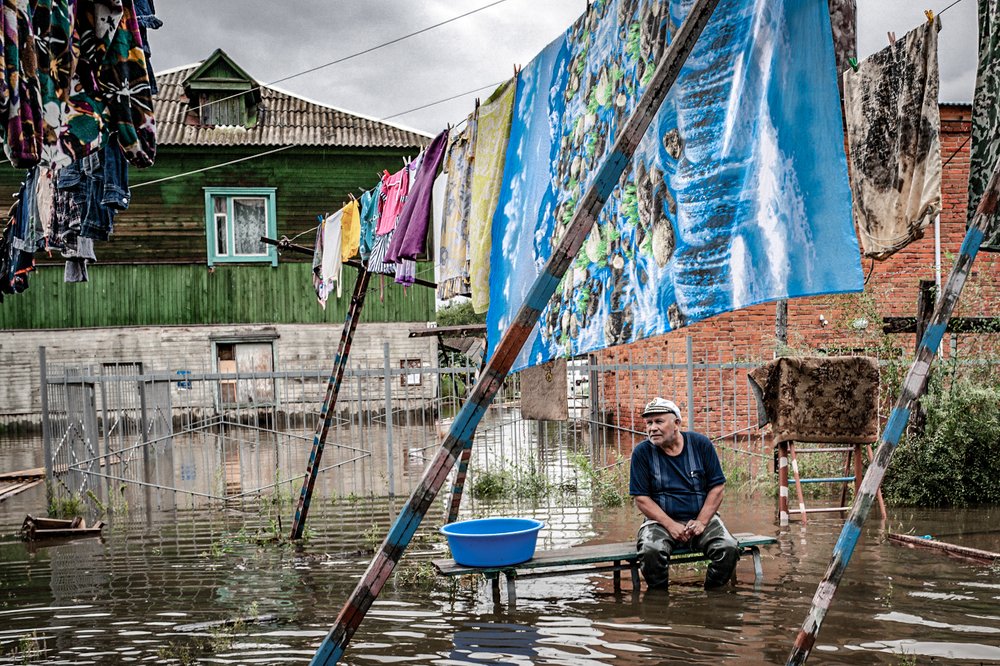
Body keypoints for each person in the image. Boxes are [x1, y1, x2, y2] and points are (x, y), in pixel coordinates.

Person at [629, 397, 739, 590]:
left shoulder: (700, 444)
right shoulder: (642, 453)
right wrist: (670, 524)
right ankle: (659, 602)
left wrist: (702, 521)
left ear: (677, 423)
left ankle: (712, 599)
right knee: (650, 551)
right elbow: (642, 498)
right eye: (649, 423)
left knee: (727, 548)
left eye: (659, 421)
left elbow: (717, 487)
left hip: (700, 518)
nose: (652, 428)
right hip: (661, 522)